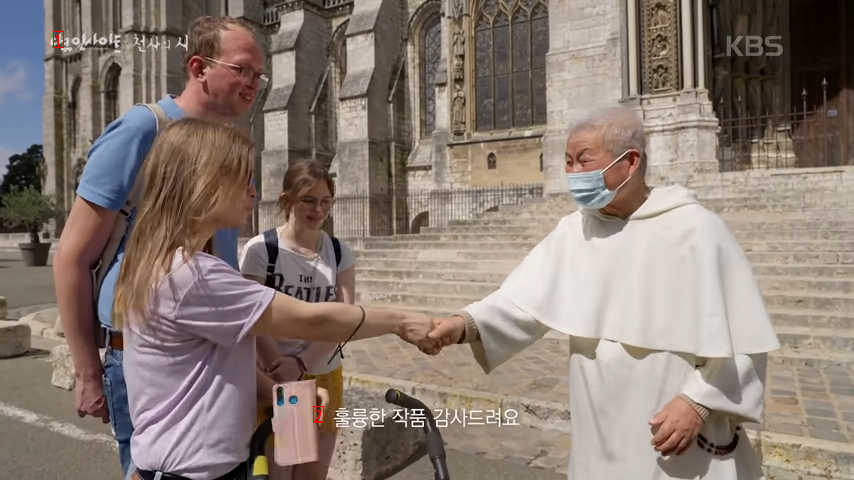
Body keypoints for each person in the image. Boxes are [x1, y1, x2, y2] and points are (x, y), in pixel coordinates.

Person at [428, 106, 780, 480]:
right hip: (597, 426)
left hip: (673, 429)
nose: (573, 174)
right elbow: (521, 301)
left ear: (630, 162)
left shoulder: (698, 231)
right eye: (568, 162)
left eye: (584, 161)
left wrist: (698, 403)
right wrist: (463, 324)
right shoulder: (574, 231)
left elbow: (743, 338)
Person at [116, 118, 438, 480]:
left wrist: (276, 391)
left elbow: (211, 369)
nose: (253, 191)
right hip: (191, 472)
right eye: (242, 179)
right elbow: (311, 319)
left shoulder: (167, 264)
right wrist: (401, 321)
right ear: (204, 185)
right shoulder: (192, 276)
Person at [52, 15, 268, 475]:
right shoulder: (142, 129)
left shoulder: (229, 147)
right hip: (138, 354)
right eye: (243, 69)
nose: (254, 82)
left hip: (211, 354)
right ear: (198, 66)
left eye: (258, 74)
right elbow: (72, 257)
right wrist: (87, 371)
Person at [239, 159, 350, 480]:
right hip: (279, 380)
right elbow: (252, 315)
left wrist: (301, 363)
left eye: (326, 201)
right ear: (287, 200)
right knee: (280, 472)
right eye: (309, 200)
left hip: (324, 379)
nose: (319, 209)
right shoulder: (262, 250)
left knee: (313, 474)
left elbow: (344, 321)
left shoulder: (340, 253)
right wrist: (283, 368)